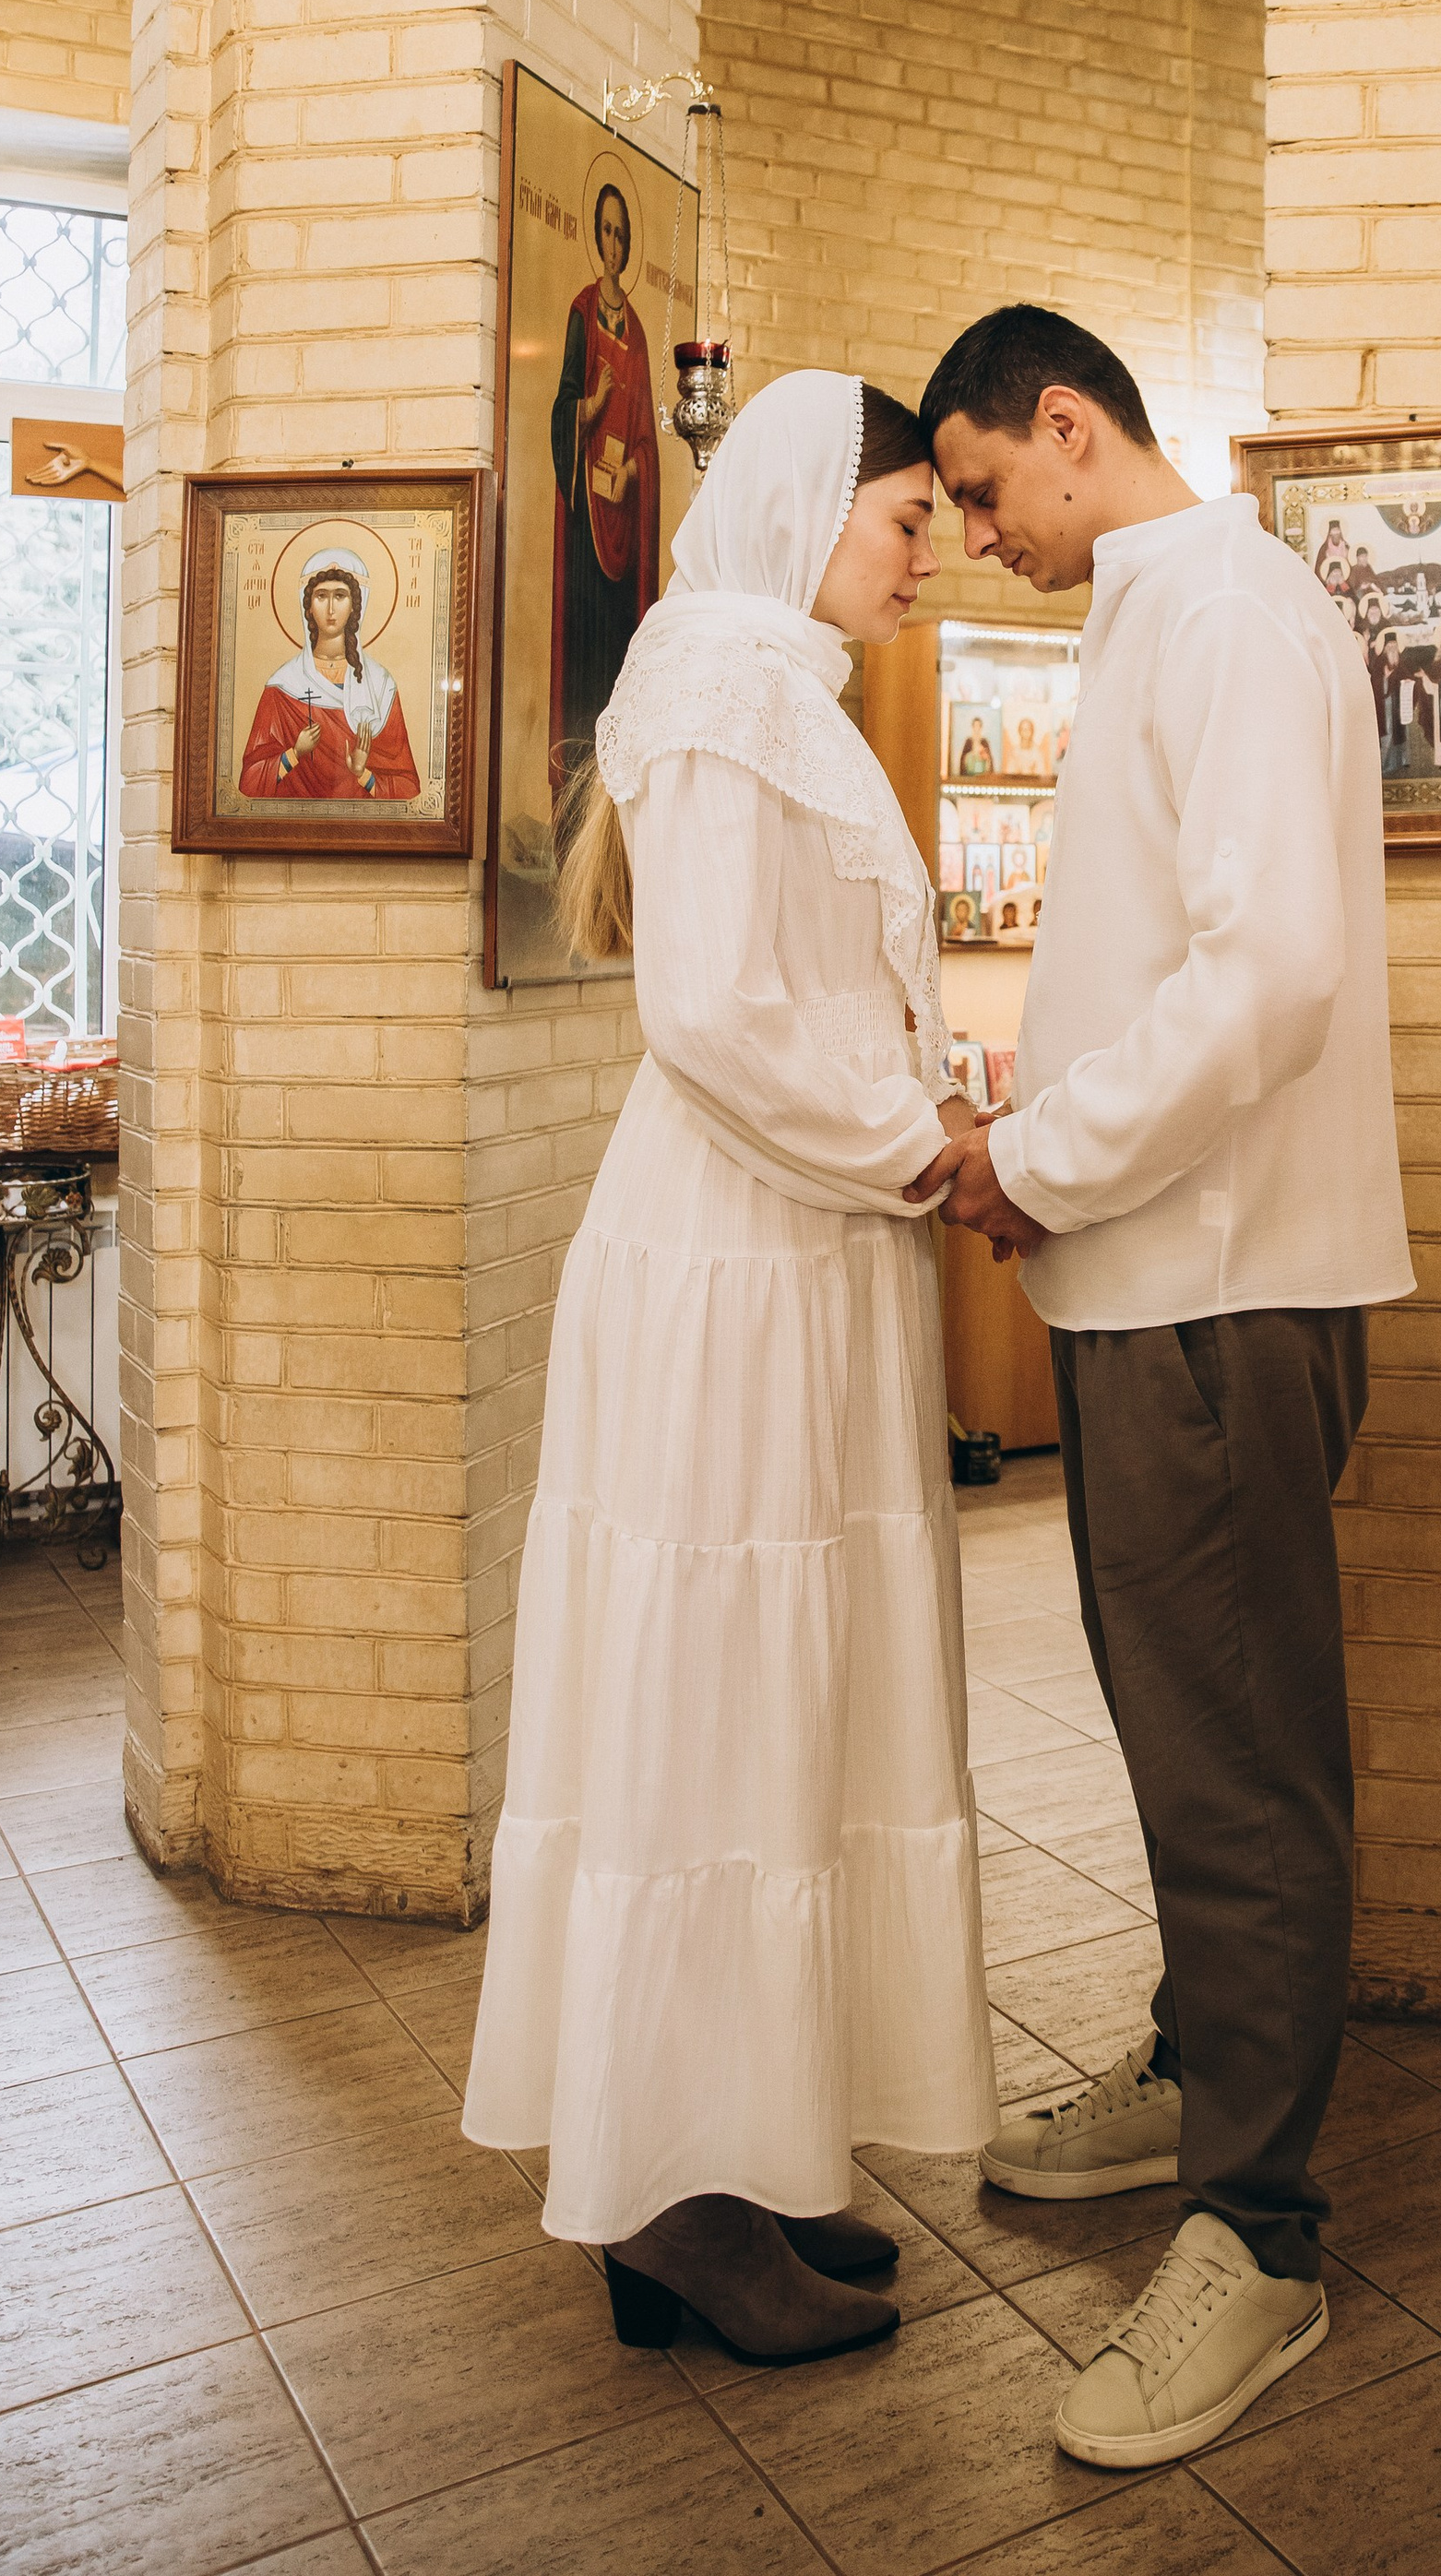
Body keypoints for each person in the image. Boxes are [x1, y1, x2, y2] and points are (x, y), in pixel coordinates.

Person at [913, 303, 1412, 2474]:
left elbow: (1269, 973)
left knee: (1237, 1766)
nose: (975, 533)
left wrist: (1038, 1153)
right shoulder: (1158, 605)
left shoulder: (1221, 609)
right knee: (1182, 1736)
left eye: (980, 489)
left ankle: (1257, 2231)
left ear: (1064, 424)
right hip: (1155, 1280)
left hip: (1215, 1284)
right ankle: (1195, 2064)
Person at [461, 371, 996, 2362]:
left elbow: (806, 987)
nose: (928, 552)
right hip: (738, 1254)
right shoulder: (722, 684)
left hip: (804, 1245)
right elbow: (706, 1012)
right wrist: (917, 1142)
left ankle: (747, 2145)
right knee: (709, 1709)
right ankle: (668, 2194)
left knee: (790, 1702)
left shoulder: (772, 680)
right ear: (799, 503)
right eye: (904, 516)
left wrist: (909, 1121)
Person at [549, 180, 662, 792]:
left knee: (618, 657)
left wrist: (634, 471)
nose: (614, 244)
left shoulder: (637, 332)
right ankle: (577, 791)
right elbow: (563, 405)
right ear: (596, 238)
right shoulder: (582, 312)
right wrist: (590, 407)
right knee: (585, 659)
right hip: (585, 522)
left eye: (622, 233)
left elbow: (647, 438)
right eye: (606, 231)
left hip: (624, 516)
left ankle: (616, 790)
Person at [237, 550, 421, 800]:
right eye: (321, 596)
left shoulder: (381, 686)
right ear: (309, 606)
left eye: (340, 596)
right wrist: (295, 753)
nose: (331, 608)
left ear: (355, 605)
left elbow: (408, 788)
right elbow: (250, 782)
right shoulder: (282, 686)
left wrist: (362, 774)